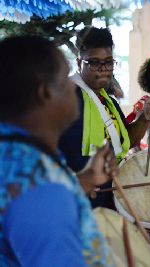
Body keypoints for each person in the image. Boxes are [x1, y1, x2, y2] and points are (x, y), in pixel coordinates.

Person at [0, 36, 117, 266]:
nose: (73, 86)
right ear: (45, 93)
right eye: (65, 79)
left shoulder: (13, 152)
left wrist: (85, 179)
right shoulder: (42, 187)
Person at [59, 26, 150, 209]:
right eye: (94, 62)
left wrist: (145, 118)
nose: (104, 69)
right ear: (79, 62)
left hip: (111, 194)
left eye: (108, 62)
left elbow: (125, 141)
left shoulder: (109, 101)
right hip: (80, 199)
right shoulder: (67, 97)